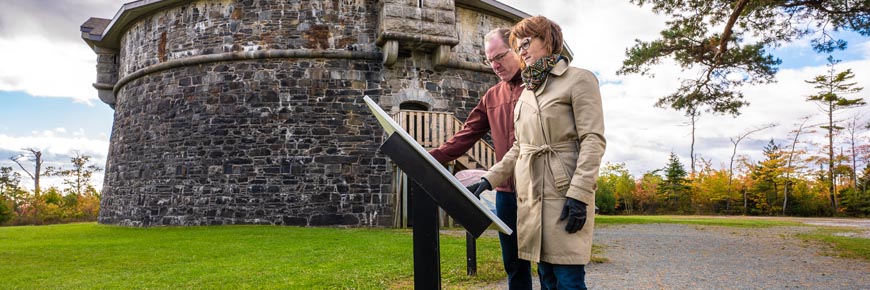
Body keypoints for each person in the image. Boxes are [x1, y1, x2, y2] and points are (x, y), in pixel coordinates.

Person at [466, 16, 606, 290]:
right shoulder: (528, 93)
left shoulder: (579, 79)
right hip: (530, 198)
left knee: (568, 280)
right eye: (519, 47)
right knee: (547, 279)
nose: (523, 51)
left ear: (549, 40)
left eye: (527, 43)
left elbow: (593, 140)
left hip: (564, 195)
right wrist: (489, 180)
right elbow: (520, 147)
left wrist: (579, 195)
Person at [428, 28, 533, 289]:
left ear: (518, 49)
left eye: (500, 57)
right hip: (506, 192)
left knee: (553, 266)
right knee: (514, 264)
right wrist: (432, 157)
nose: (495, 65)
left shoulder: (538, 88)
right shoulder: (492, 96)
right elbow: (467, 134)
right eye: (490, 61)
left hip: (539, 190)